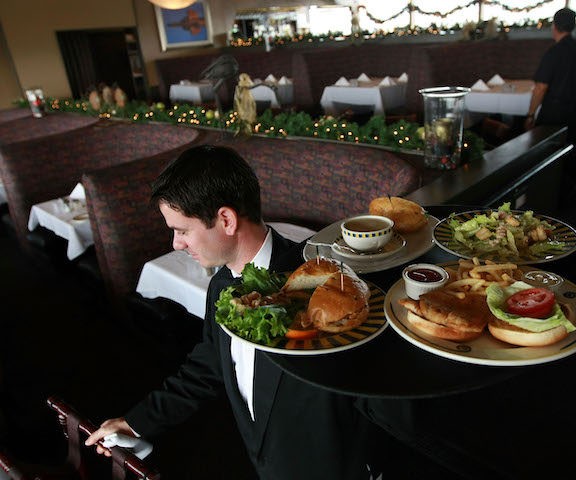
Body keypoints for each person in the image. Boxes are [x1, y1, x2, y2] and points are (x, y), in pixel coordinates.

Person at [84, 145, 385, 479]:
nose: (176, 244)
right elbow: (210, 362)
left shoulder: (321, 293)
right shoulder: (221, 285)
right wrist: (137, 423)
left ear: (226, 219)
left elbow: (369, 396)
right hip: (265, 462)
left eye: (182, 230)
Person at [524, 7, 576, 143]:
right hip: (575, 109)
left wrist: (531, 115)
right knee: (568, 146)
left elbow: (540, 87)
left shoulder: (554, 52)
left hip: (554, 113)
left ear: (554, 26)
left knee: (546, 148)